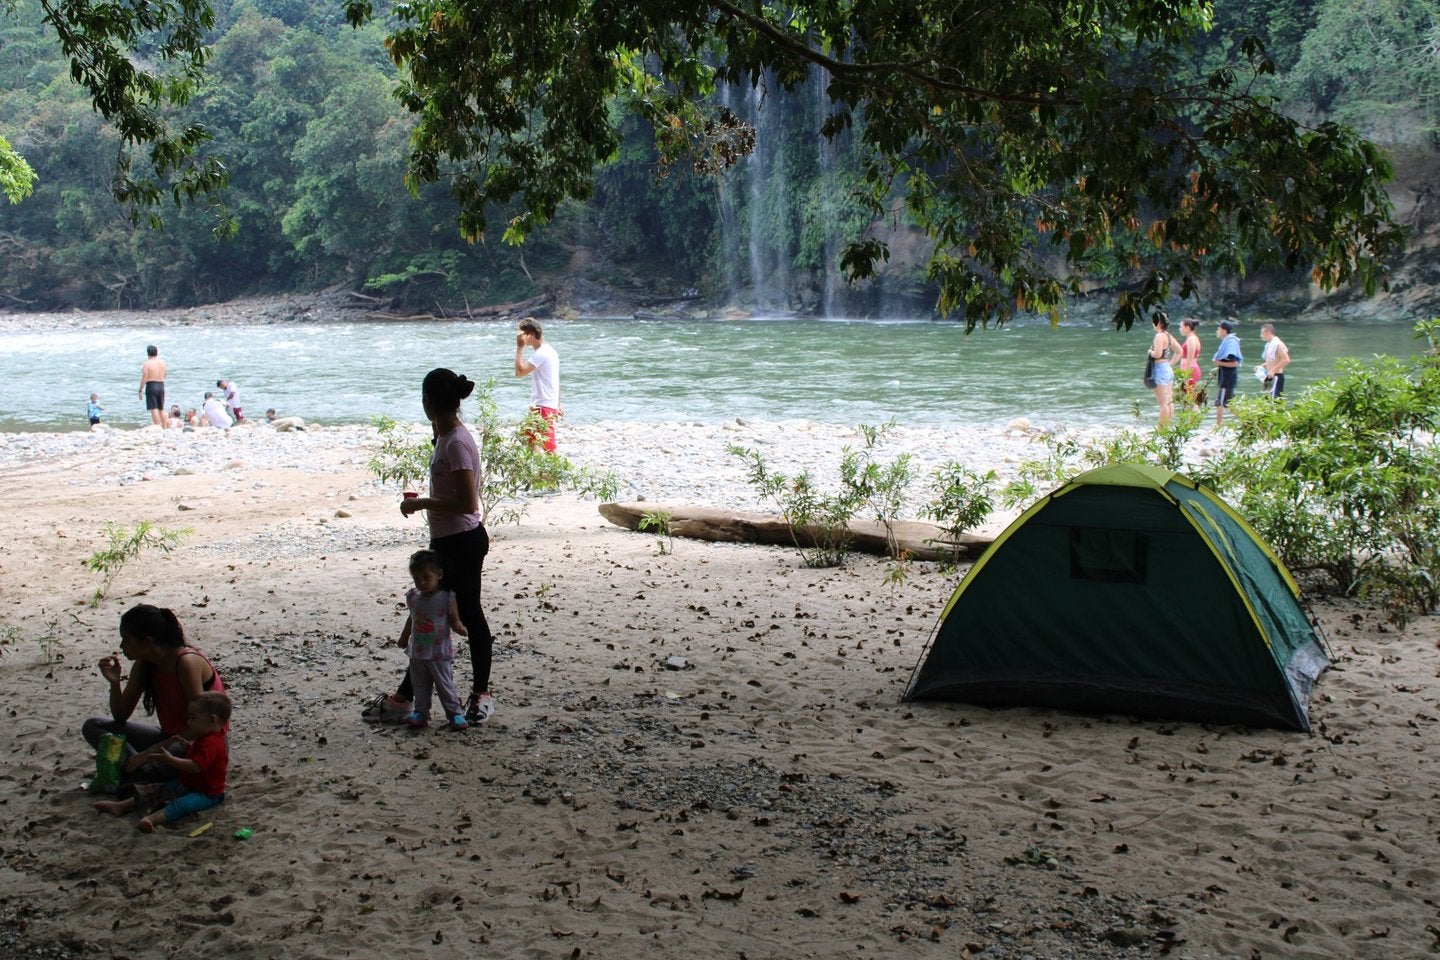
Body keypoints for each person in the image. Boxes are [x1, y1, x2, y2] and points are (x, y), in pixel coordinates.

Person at [364, 368, 496, 725]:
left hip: (463, 542)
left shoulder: (455, 441)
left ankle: (480, 695)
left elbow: (468, 502)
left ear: (428, 402)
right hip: (447, 541)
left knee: (468, 615)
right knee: (430, 613)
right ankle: (406, 697)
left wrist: (421, 503)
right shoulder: (444, 437)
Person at [82, 605, 227, 767]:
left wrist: (146, 754)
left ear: (147, 642)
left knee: (163, 760)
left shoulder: (186, 663)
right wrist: (115, 684)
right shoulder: (144, 664)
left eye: (126, 640)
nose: (122, 646)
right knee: (93, 726)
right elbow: (121, 717)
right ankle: (134, 769)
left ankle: (135, 770)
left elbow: (199, 728)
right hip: (168, 738)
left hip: (200, 743)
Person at [92, 691, 230, 833]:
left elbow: (196, 766)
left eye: (193, 718)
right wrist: (188, 747)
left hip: (207, 793)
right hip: (186, 784)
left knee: (181, 805)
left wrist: (170, 760)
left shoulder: (213, 742)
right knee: (155, 790)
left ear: (212, 720)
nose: (188, 722)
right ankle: (121, 806)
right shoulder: (204, 737)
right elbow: (199, 755)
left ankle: (152, 819)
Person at [396, 550, 469, 730]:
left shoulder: (446, 597)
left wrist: (459, 627)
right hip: (418, 651)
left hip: (439, 652)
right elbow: (412, 618)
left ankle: (454, 714)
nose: (421, 582)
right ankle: (421, 713)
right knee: (419, 684)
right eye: (417, 579)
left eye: (426, 577)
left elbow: (453, 618)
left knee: (445, 684)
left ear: (439, 575)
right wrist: (405, 636)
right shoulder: (413, 597)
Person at [514, 317, 562, 452]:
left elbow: (520, 372)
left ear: (529, 334)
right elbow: (556, 380)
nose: (521, 337)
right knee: (530, 439)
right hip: (546, 404)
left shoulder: (541, 354)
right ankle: (539, 471)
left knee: (547, 447)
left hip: (542, 406)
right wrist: (557, 404)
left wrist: (519, 348)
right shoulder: (550, 350)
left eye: (522, 334)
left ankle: (552, 472)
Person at [1147, 316, 1181, 427]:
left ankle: (1161, 429)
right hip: (1167, 368)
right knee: (1169, 401)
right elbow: (1179, 351)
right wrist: (1170, 364)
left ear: (1158, 323)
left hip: (1160, 369)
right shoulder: (1168, 336)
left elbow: (1157, 354)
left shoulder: (1159, 336)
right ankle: (1168, 426)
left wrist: (1150, 352)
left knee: (1163, 404)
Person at [1212, 319, 1243, 427]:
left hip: (1228, 378)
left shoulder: (1231, 342)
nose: (1217, 331)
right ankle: (1247, 421)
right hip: (1224, 376)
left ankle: (1218, 426)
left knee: (1220, 402)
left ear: (1224, 330)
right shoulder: (1226, 342)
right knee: (1229, 403)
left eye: (1218, 329)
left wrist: (1219, 362)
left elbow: (1235, 363)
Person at [138, 345, 169, 428]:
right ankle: (165, 427)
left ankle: (157, 426)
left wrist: (140, 390)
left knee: (153, 407)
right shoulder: (162, 362)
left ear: (148, 353)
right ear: (157, 353)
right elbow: (165, 374)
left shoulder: (147, 363)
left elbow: (144, 378)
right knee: (161, 408)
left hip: (151, 385)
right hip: (161, 384)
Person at [1259, 323, 1291, 398]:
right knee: (1266, 399)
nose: (1261, 335)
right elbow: (1271, 361)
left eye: (1262, 333)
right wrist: (1262, 366)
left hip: (1276, 375)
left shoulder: (1277, 344)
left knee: (1275, 399)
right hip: (1269, 375)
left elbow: (1286, 359)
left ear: (1268, 332)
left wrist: (1273, 371)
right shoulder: (1269, 344)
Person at [1176, 318, 1203, 399]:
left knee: (1191, 397)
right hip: (1190, 369)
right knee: (1190, 397)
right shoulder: (1191, 338)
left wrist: (1186, 374)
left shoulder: (1191, 339)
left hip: (1190, 370)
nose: (1180, 329)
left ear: (1187, 327)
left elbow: (1190, 358)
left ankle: (1196, 411)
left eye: (1181, 327)